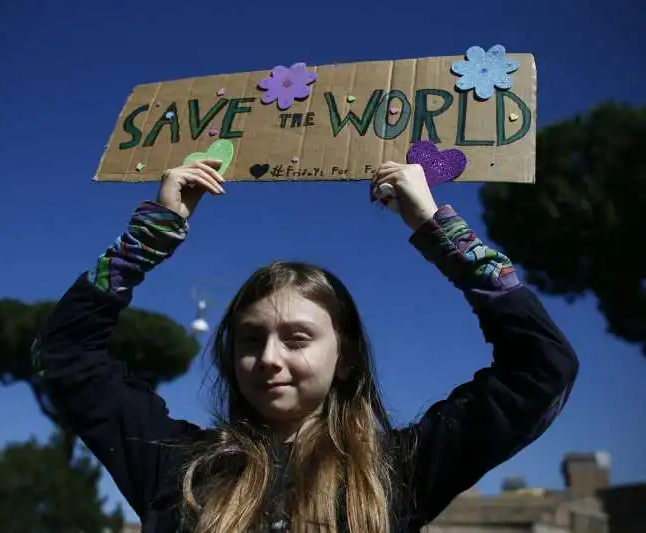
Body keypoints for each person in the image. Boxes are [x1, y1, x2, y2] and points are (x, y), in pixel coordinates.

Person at [32, 160, 579, 533]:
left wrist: (436, 227)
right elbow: (65, 355)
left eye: (297, 338)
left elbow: (542, 367)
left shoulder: (399, 470)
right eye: (250, 339)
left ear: (345, 361)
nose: (269, 358)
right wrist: (151, 233)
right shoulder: (182, 472)